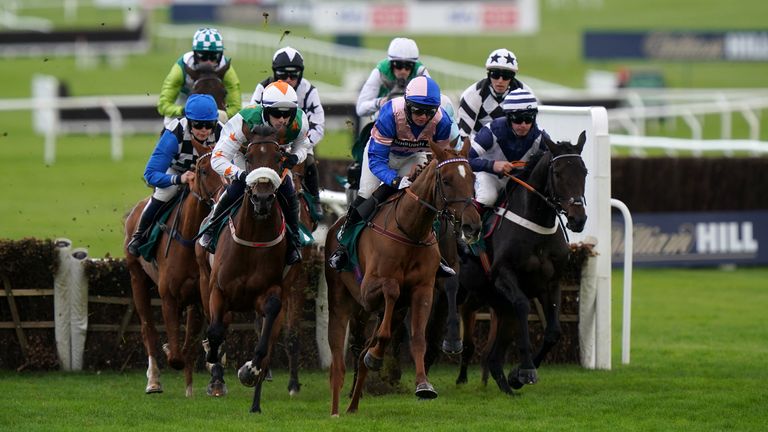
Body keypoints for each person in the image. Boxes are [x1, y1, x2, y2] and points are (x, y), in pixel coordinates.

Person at [328, 76, 455, 276]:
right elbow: (377, 161)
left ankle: (435, 255)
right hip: (382, 155)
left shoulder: (442, 122)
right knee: (368, 192)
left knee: (427, 197)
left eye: (429, 112)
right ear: (407, 106)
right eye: (418, 110)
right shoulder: (390, 115)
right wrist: (394, 180)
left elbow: (440, 159)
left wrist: (425, 169)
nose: (423, 117)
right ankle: (343, 246)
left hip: (413, 156)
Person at [198, 80, 310, 265]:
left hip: (275, 159)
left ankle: (294, 241)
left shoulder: (300, 120)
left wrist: (294, 158)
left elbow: (303, 146)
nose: (282, 119)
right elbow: (217, 159)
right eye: (276, 113)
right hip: (246, 157)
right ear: (265, 111)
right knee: (236, 189)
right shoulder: (244, 121)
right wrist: (240, 175)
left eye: (287, 114)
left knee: (289, 191)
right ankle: (212, 227)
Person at [127, 94, 223, 257]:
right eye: (198, 125)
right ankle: (140, 236)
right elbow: (150, 174)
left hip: (209, 174)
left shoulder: (222, 132)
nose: (204, 130)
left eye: (209, 125)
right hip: (177, 171)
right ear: (189, 121)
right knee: (167, 192)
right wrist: (179, 179)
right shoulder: (174, 133)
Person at [250, 46, 325, 217]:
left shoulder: (309, 91)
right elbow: (251, 119)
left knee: (310, 161)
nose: (289, 79)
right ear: (275, 73)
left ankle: (315, 199)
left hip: (298, 141)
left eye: (294, 75)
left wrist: (301, 146)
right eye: (283, 75)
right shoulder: (262, 88)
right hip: (268, 142)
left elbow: (318, 126)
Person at [469, 88, 549, 210]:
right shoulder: (491, 131)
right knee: (487, 198)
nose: (523, 125)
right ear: (508, 117)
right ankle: (473, 228)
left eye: (528, 119)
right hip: (489, 176)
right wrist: (492, 165)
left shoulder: (541, 136)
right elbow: (465, 159)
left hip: (519, 180)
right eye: (517, 119)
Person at [157, 27, 242, 128]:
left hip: (215, 107)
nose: (208, 62)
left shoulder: (227, 70)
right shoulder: (180, 69)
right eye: (203, 56)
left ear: (221, 55)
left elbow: (236, 107)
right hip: (185, 101)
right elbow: (163, 105)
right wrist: (183, 110)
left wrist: (223, 115)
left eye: (214, 57)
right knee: (170, 123)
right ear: (195, 54)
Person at [457, 48, 532, 141]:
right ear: (489, 75)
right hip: (479, 145)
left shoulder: (525, 93)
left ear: (512, 77)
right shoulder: (472, 94)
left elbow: (532, 131)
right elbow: (463, 135)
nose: (500, 80)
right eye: (495, 74)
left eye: (506, 75)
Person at [355, 37, 430, 119]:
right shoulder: (380, 72)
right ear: (390, 64)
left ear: (414, 65)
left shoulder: (420, 71)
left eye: (408, 66)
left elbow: (434, 101)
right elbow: (360, 109)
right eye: (398, 65)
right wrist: (379, 102)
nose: (403, 71)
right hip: (384, 119)